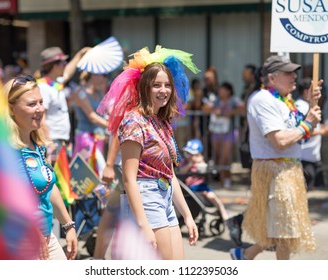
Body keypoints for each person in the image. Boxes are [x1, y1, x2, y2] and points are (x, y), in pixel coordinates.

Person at [97, 46, 199, 259]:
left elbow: (170, 174)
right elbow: (129, 179)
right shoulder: (134, 121)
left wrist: (188, 216)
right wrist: (143, 224)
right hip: (147, 197)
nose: (164, 90)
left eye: (167, 85)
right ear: (144, 88)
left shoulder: (162, 121)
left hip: (165, 195)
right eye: (156, 85)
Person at [230, 55, 322, 260]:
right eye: (288, 72)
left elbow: (300, 131)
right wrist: (307, 123)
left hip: (289, 170)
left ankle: (244, 255)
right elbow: (280, 141)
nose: (294, 76)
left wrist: (310, 103)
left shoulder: (286, 100)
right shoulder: (263, 100)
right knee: (284, 230)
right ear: (271, 79)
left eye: (294, 72)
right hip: (274, 170)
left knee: (280, 228)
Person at [2, 74, 78, 260]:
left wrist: (69, 226)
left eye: (41, 102)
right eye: (31, 104)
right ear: (11, 109)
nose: (40, 109)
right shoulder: (4, 149)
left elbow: (49, 188)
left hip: (47, 237)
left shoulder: (40, 145)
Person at [37, 46, 90, 163]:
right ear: (55, 65)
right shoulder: (43, 87)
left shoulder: (55, 83)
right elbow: (41, 117)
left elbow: (68, 72)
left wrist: (80, 54)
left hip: (62, 139)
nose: (65, 65)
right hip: (53, 140)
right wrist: (49, 142)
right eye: (63, 62)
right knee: (55, 177)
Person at [179, 138, 229, 223]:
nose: (190, 156)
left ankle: (224, 214)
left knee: (212, 195)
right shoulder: (185, 162)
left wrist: (199, 161)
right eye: (188, 153)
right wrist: (190, 164)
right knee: (203, 195)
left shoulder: (200, 161)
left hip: (201, 186)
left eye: (192, 154)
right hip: (190, 188)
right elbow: (182, 171)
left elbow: (205, 168)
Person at [208, 82, 244, 188]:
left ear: (228, 91)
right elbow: (205, 107)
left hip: (229, 132)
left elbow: (242, 108)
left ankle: (227, 178)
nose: (220, 92)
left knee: (226, 157)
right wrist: (214, 110)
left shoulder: (234, 100)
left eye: (223, 90)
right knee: (219, 156)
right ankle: (222, 178)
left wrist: (231, 112)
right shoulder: (216, 101)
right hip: (216, 132)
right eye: (220, 90)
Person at [72, 71, 109, 173]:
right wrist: (112, 126)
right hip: (86, 137)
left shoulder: (99, 92)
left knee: (94, 173)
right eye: (104, 74)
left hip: (98, 137)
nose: (105, 78)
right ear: (94, 74)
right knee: (86, 171)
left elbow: (106, 112)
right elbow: (92, 116)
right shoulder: (80, 92)